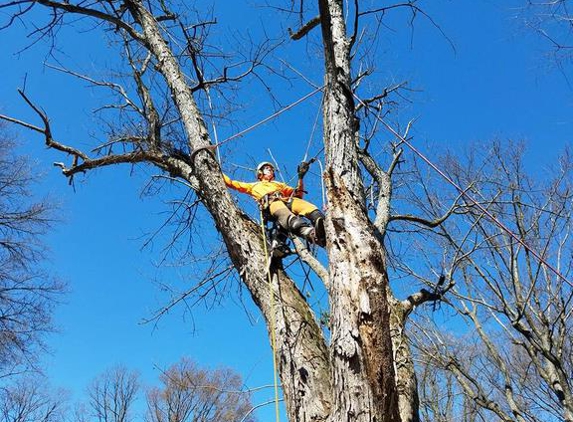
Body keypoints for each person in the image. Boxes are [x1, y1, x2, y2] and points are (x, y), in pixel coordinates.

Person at [223, 161, 326, 247]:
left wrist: (300, 177)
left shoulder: (279, 185)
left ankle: (321, 221)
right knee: (282, 210)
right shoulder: (253, 186)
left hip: (285, 200)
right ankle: (309, 233)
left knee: (302, 204)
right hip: (271, 204)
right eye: (267, 168)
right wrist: (218, 170)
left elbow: (298, 194)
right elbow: (231, 183)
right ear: (260, 172)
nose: (270, 170)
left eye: (272, 169)